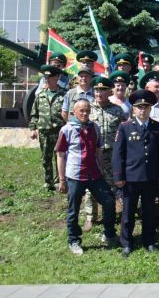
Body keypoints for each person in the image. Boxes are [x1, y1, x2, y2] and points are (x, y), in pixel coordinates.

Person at [55, 99, 118, 255]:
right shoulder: (67, 129)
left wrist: (102, 169)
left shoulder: (94, 127)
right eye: (81, 110)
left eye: (87, 110)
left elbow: (98, 150)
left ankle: (109, 234)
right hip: (75, 175)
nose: (85, 113)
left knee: (109, 202)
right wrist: (62, 180)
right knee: (73, 210)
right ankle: (74, 240)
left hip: (94, 174)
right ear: (74, 112)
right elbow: (61, 155)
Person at [112, 90, 159, 256]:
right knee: (128, 213)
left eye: (146, 107)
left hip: (151, 177)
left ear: (150, 109)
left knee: (150, 212)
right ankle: (127, 243)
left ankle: (149, 241)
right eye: (139, 107)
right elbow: (118, 153)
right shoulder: (125, 127)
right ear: (133, 109)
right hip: (131, 178)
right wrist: (118, 176)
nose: (142, 110)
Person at [84, 76, 125, 231]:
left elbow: (122, 131)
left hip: (112, 154)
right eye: (96, 90)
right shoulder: (88, 109)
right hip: (93, 155)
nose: (99, 93)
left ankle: (113, 213)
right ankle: (90, 217)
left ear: (109, 92)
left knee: (114, 184)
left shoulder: (117, 110)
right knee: (90, 187)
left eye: (102, 90)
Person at [29, 65, 67, 190]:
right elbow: (34, 113)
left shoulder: (64, 94)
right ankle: (48, 181)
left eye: (49, 76)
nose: (46, 78)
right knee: (46, 157)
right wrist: (33, 128)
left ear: (57, 77)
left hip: (59, 131)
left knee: (60, 157)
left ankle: (59, 181)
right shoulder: (40, 95)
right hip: (44, 131)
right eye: (45, 76)